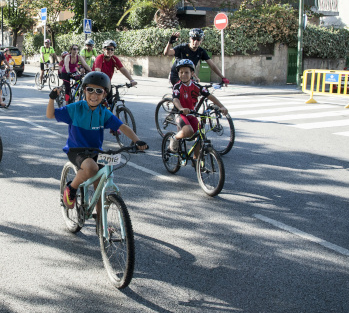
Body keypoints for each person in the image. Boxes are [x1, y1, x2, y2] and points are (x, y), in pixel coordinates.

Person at [46, 71, 147, 214]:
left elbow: (122, 126)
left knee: (100, 187)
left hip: (95, 151)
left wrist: (137, 140)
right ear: (84, 90)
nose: (94, 95)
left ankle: (101, 227)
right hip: (77, 150)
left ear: (104, 94)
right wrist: (52, 98)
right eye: (90, 90)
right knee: (91, 168)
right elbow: (50, 115)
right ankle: (71, 188)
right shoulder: (76, 108)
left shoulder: (104, 112)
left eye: (99, 91)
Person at [169, 59, 228, 164]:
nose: (183, 75)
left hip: (192, 115)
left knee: (200, 135)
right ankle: (175, 137)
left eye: (186, 72)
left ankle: (196, 160)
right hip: (180, 114)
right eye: (181, 72)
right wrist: (181, 109)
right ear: (178, 73)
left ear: (192, 73)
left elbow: (209, 96)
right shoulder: (177, 86)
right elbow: (175, 99)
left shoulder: (196, 86)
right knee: (188, 131)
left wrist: (221, 107)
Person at [164, 28, 230, 87]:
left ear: (201, 41)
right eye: (194, 39)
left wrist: (223, 77)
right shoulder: (182, 47)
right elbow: (167, 53)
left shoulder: (201, 51)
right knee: (182, 93)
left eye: (198, 39)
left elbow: (212, 65)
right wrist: (170, 43)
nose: (196, 41)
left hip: (189, 76)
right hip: (177, 75)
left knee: (198, 93)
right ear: (190, 39)